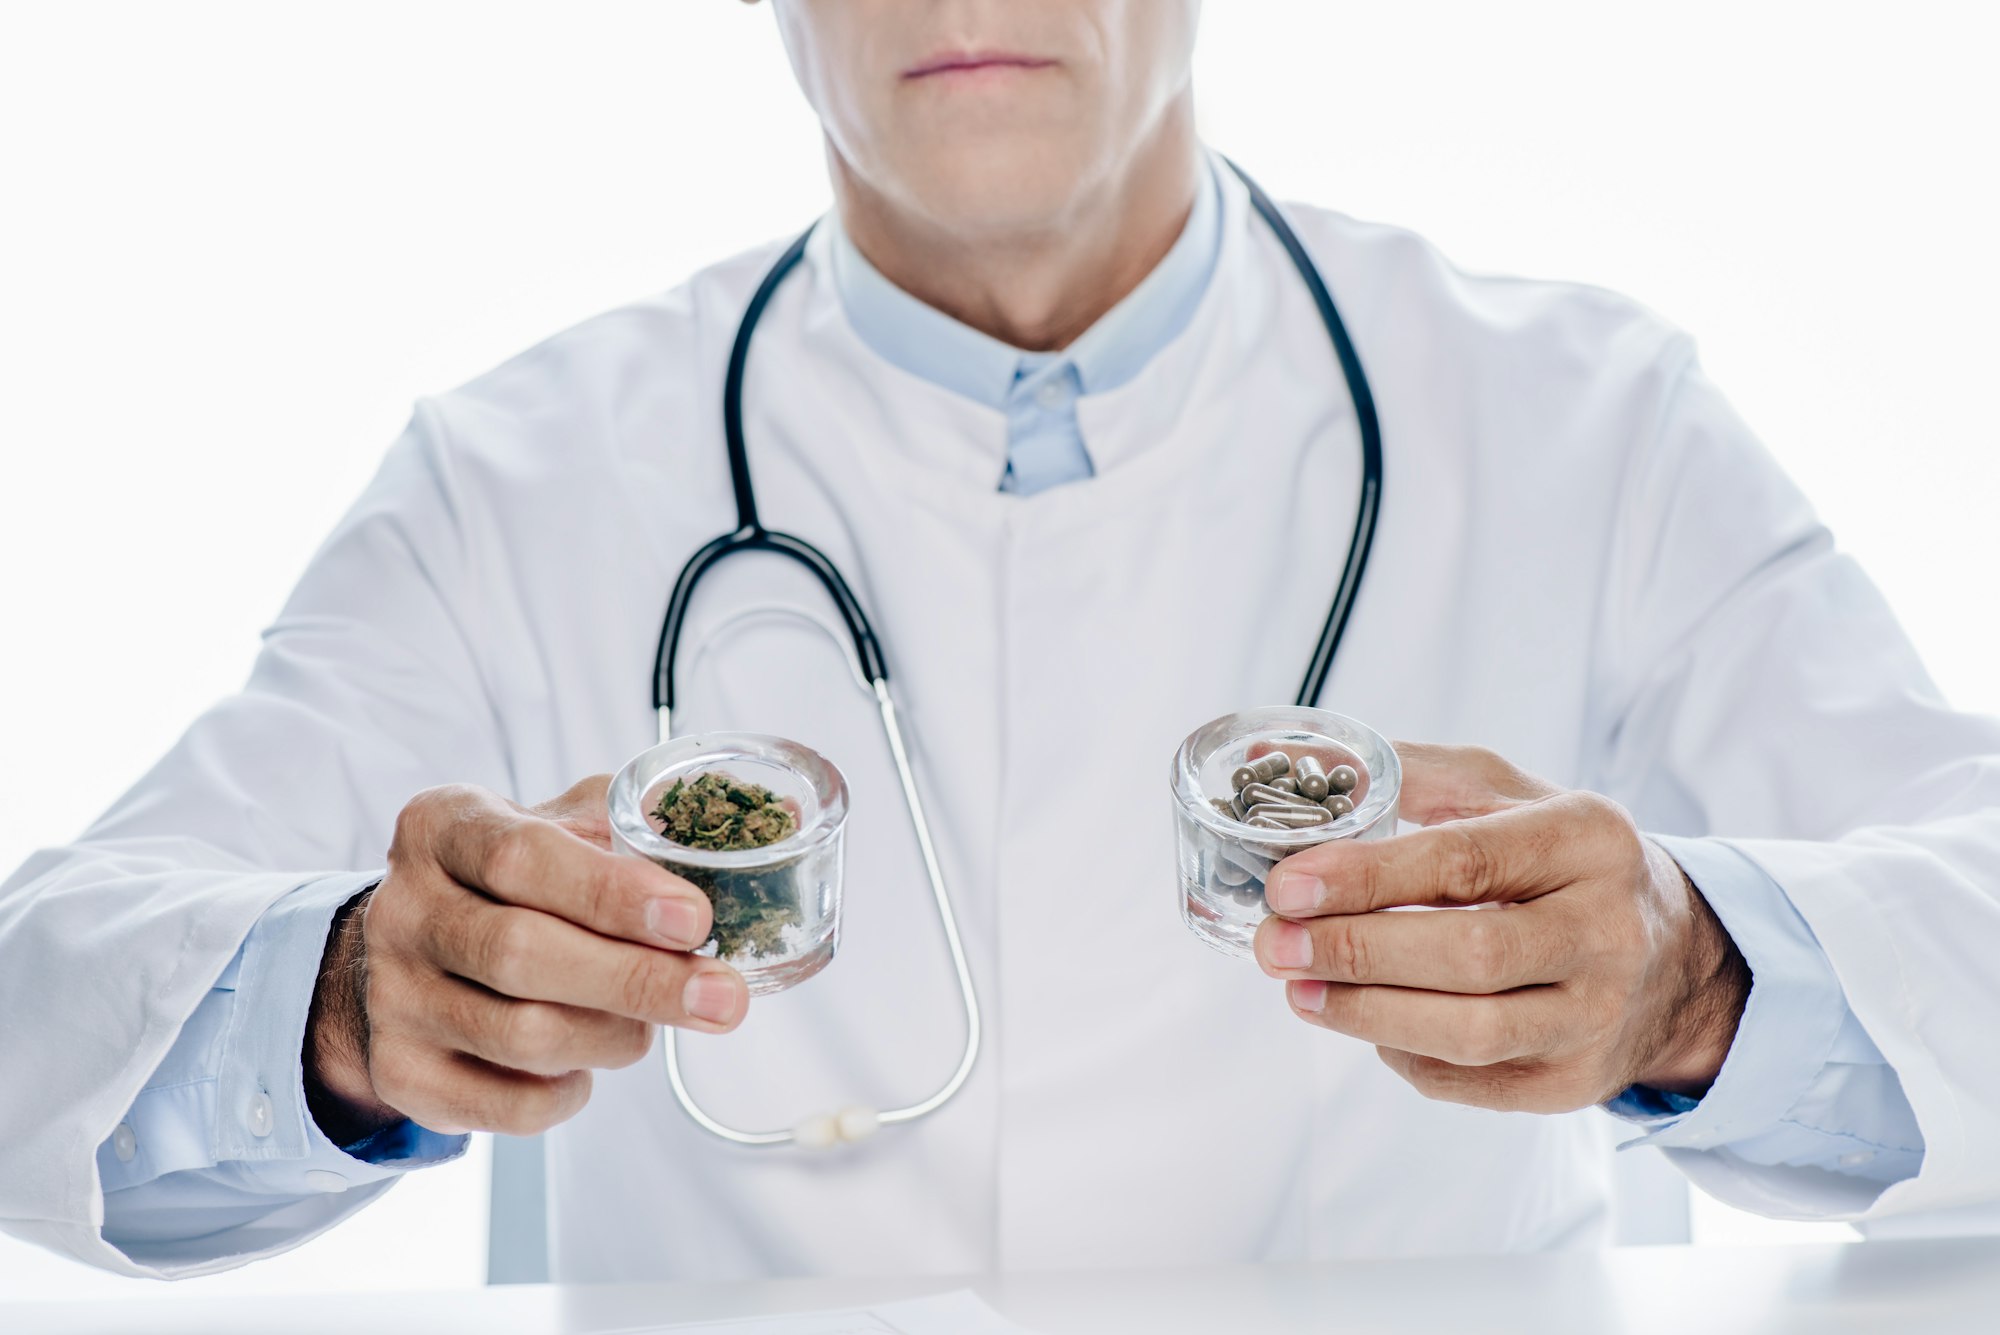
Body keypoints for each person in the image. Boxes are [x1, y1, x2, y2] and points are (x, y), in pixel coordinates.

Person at [4, 0, 1997, 1282]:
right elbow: (37, 1016)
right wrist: (345, 1008)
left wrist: (1691, 982)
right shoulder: (509, 476)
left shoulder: (1585, 421)